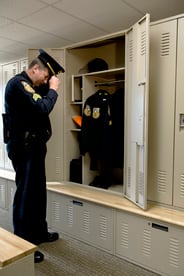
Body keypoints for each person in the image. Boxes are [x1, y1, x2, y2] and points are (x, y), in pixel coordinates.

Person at [3, 49, 65, 263]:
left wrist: (48, 84)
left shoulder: (31, 85)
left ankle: (39, 232)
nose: (47, 81)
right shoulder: (18, 84)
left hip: (35, 147)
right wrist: (54, 90)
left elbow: (39, 101)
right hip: (24, 148)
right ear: (35, 68)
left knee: (38, 192)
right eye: (46, 77)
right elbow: (42, 107)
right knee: (25, 196)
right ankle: (22, 247)